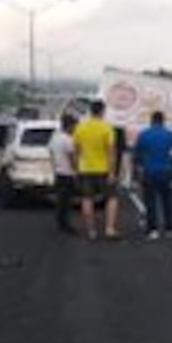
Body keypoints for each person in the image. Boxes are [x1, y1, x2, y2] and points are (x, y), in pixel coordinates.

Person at [133, 110, 172, 240]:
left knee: (150, 201)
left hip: (149, 172)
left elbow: (136, 156)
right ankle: (169, 229)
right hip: (166, 172)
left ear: (151, 121)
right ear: (163, 121)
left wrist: (137, 170)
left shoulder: (143, 135)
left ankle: (152, 230)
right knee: (167, 201)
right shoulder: (170, 134)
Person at [74, 99, 121, 240]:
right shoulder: (107, 128)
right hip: (103, 169)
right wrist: (112, 172)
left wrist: (77, 168)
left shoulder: (80, 127)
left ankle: (91, 230)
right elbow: (111, 152)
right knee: (112, 198)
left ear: (90, 111)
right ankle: (109, 228)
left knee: (87, 199)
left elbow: (77, 150)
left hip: (85, 168)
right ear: (102, 111)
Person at [47, 112, 78, 234]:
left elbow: (50, 152)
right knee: (67, 201)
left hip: (58, 172)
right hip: (68, 173)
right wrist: (77, 170)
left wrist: (55, 165)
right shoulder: (68, 140)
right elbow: (72, 158)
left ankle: (61, 223)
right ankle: (66, 225)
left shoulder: (55, 137)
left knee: (61, 200)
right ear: (70, 126)